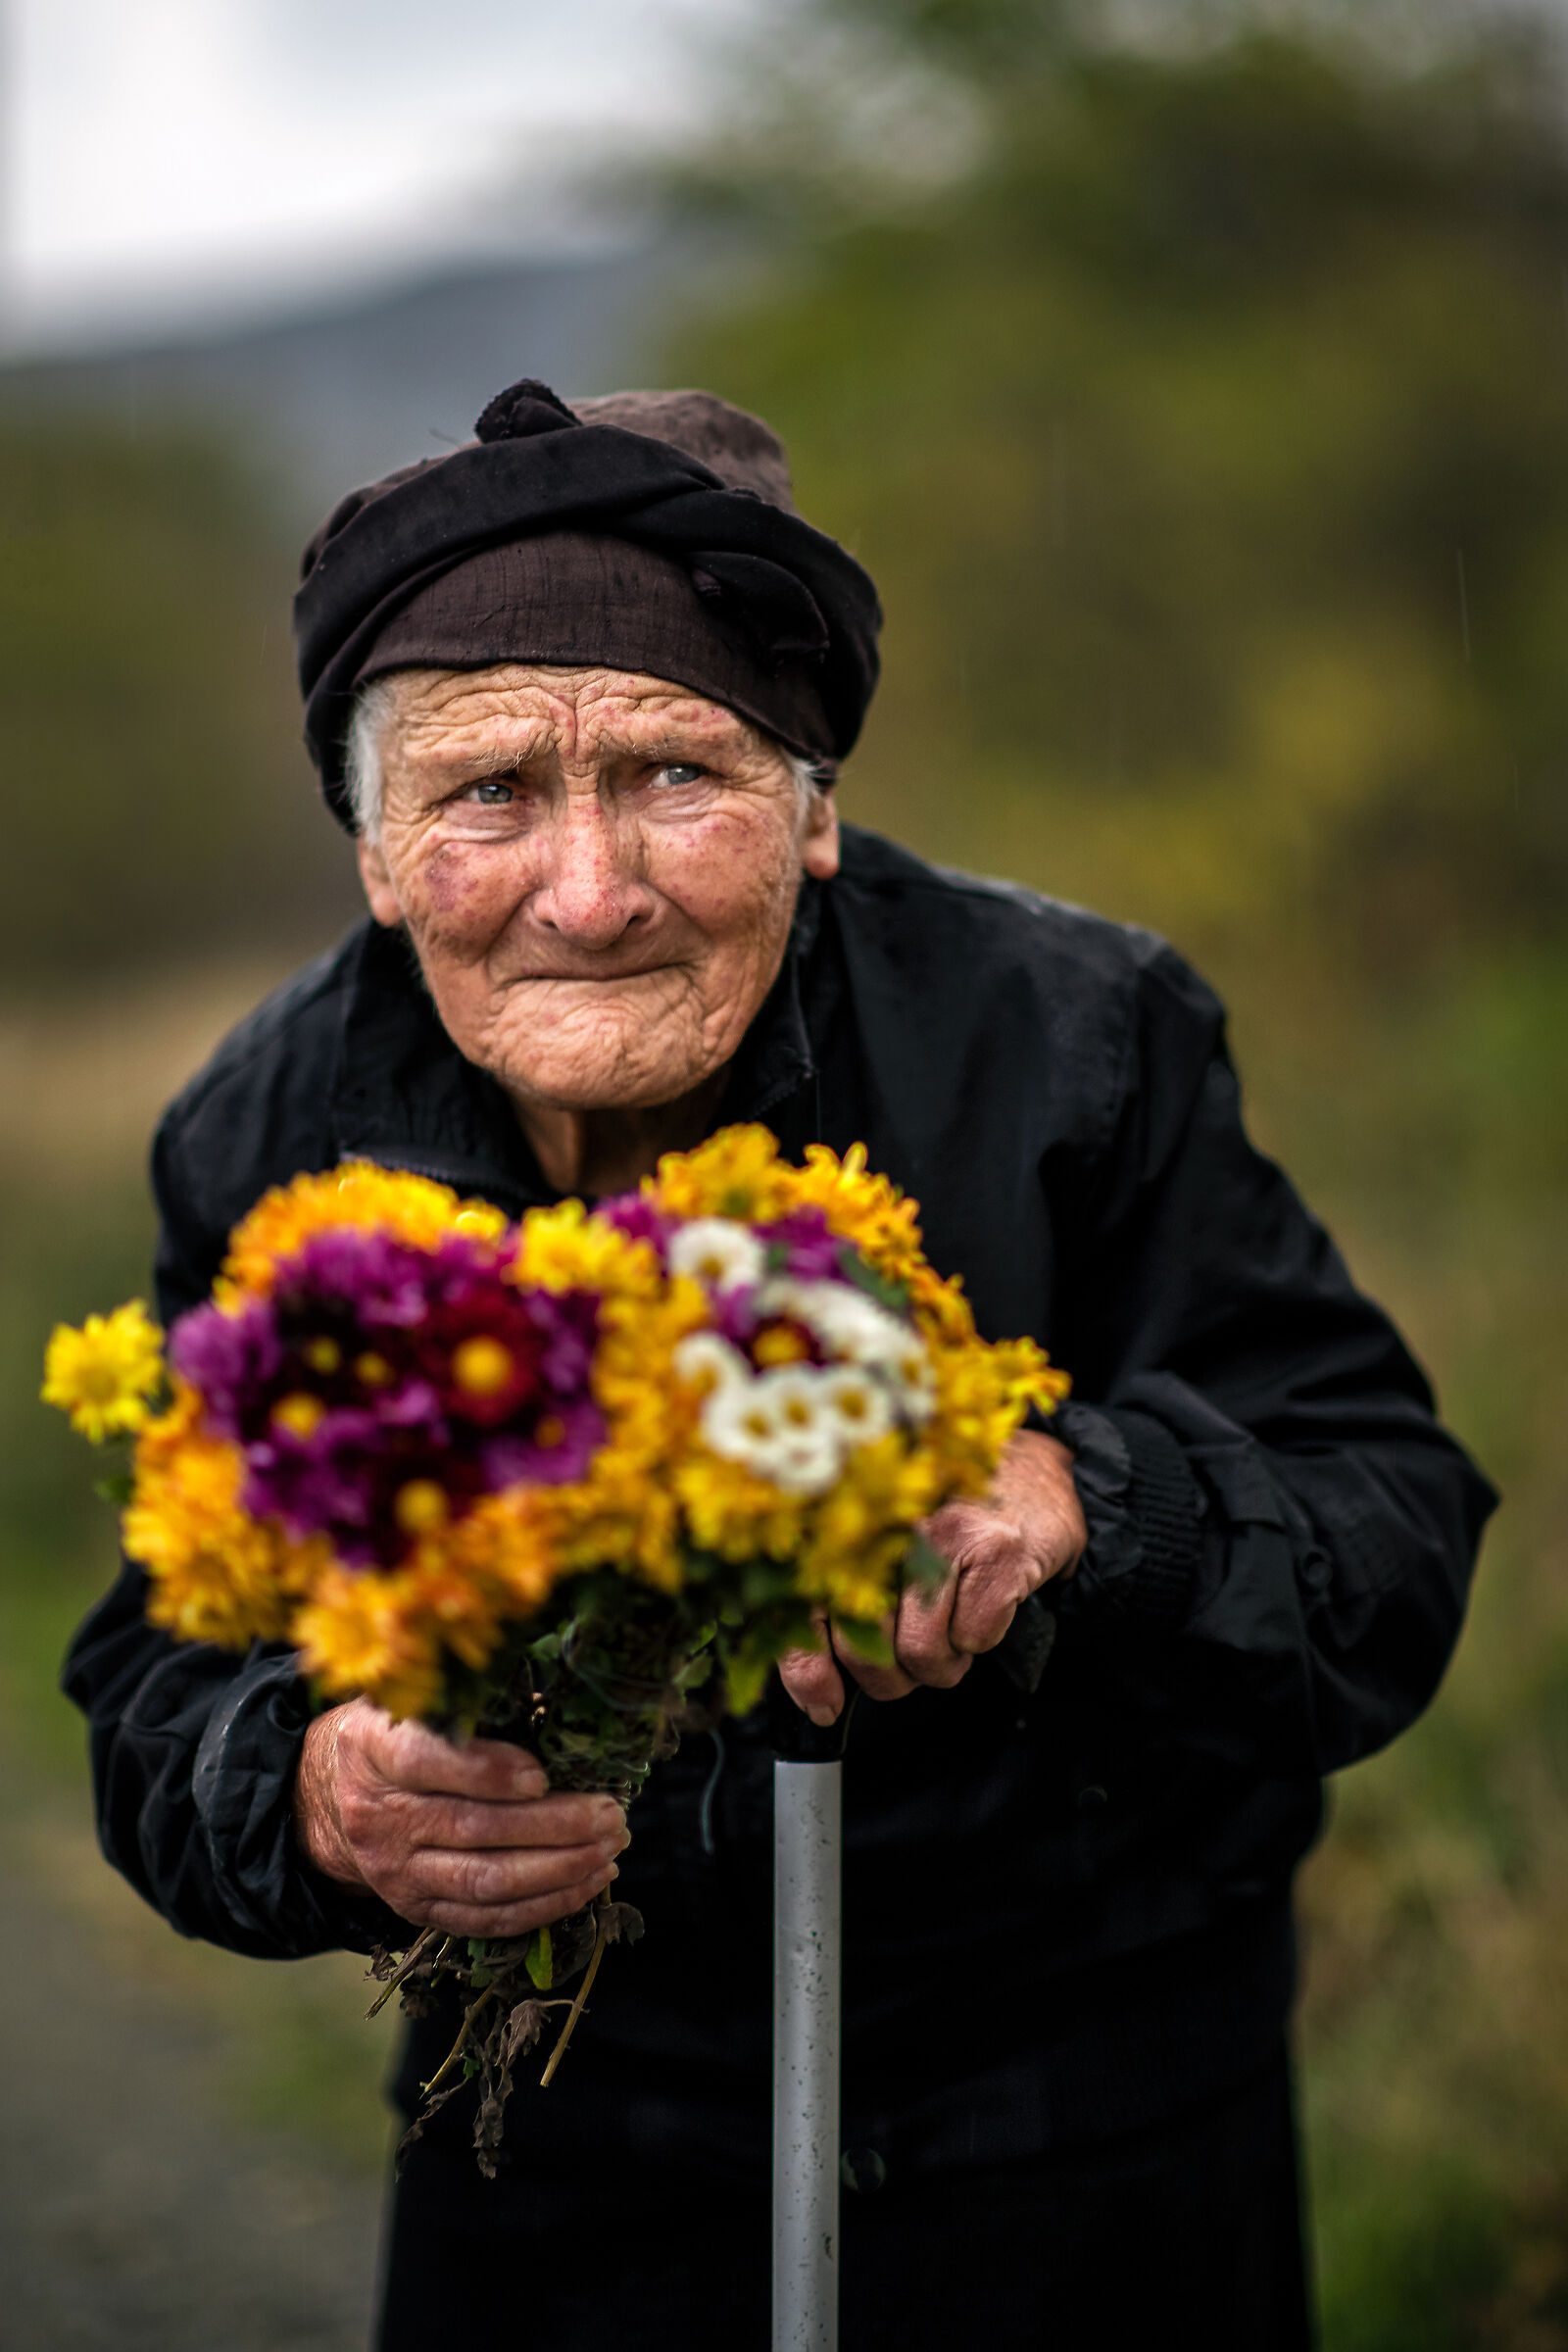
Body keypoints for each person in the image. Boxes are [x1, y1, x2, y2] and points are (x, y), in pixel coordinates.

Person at [64, 376, 1494, 2349]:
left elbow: (1387, 1530)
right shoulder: (270, 1132)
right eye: (488, 792)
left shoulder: (1073, 1043)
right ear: (378, 857)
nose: (588, 890)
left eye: (677, 774)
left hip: (1076, 2150)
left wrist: (1090, 1500)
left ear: (813, 814)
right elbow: (156, 1664)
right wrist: (308, 1791)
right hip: (552, 2169)